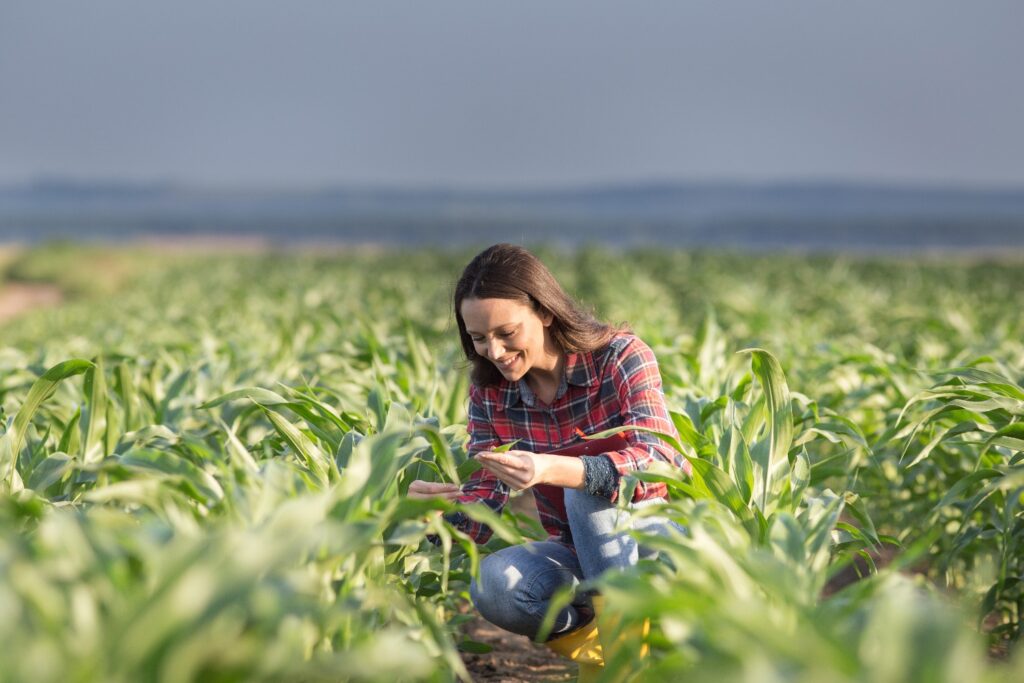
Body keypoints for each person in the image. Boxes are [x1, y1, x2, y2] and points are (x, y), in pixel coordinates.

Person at [408, 243, 689, 676]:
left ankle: (623, 665)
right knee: (496, 587)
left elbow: (659, 457)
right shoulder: (491, 394)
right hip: (580, 550)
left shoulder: (620, 357)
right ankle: (606, 646)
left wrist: (551, 468)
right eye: (478, 339)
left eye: (506, 333)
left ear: (545, 311)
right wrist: (431, 515)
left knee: (584, 493)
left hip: (659, 538)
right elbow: (484, 507)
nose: (494, 352)